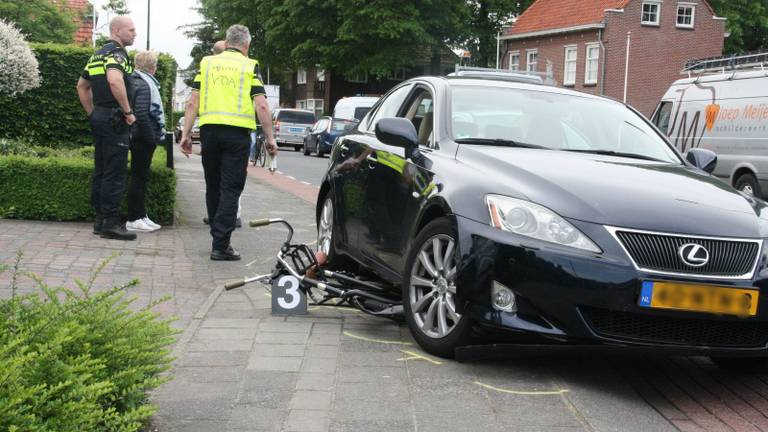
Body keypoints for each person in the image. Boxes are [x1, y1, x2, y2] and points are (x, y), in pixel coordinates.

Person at [180, 25, 277, 261]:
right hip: (236, 136)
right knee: (231, 189)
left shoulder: (207, 63)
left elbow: (193, 102)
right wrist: (270, 138)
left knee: (213, 185)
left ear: (227, 41)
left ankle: (217, 235)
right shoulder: (250, 66)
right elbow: (262, 105)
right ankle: (221, 245)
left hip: (210, 133)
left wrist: (185, 134)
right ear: (247, 45)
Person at [76, 16, 137, 241]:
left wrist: (93, 113)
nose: (134, 33)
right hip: (115, 118)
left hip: (100, 116)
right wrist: (128, 112)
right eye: (130, 30)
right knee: (115, 171)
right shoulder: (117, 54)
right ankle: (111, 223)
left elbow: (82, 86)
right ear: (117, 30)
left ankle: (100, 220)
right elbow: (114, 80)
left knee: (101, 169)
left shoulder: (97, 54)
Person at [125, 50, 164, 232]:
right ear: (152, 67)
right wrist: (152, 138)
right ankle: (134, 218)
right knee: (139, 177)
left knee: (140, 177)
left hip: (138, 135)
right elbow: (141, 113)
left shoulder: (136, 80)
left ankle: (141, 215)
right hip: (142, 137)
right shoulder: (145, 84)